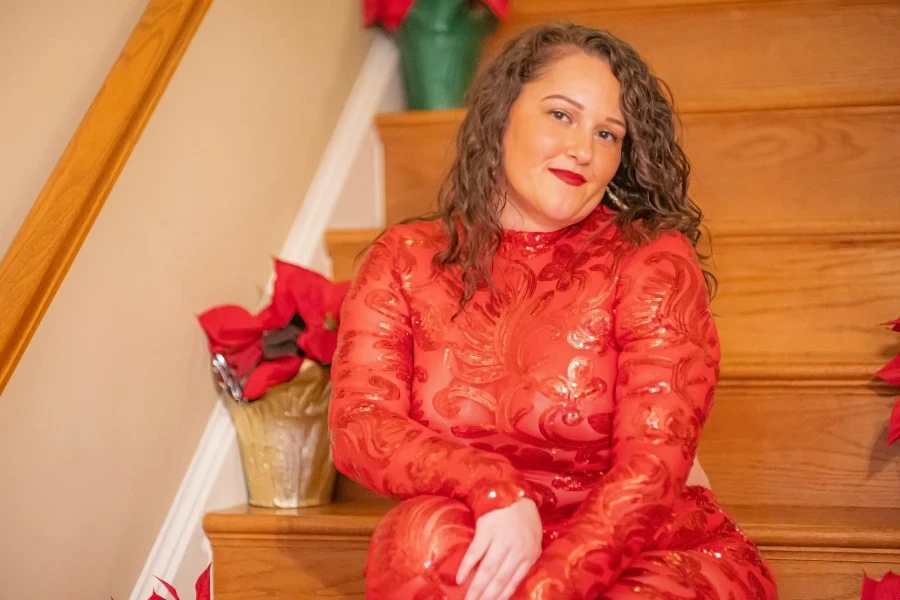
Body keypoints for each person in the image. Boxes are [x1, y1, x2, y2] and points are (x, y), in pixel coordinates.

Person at [328, 22, 777, 600]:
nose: (583, 150)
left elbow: (651, 470)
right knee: (417, 540)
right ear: (502, 114)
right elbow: (360, 426)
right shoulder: (407, 258)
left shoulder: (651, 260)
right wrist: (491, 488)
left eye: (609, 134)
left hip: (642, 547)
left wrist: (549, 588)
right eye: (561, 115)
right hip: (494, 527)